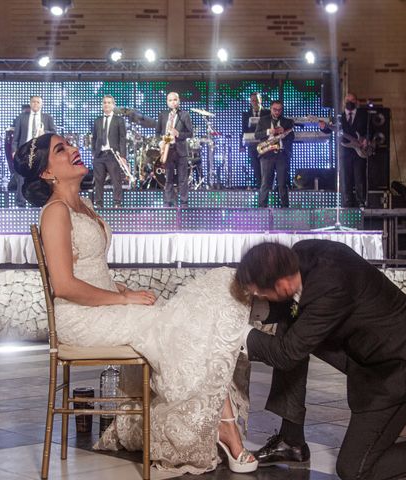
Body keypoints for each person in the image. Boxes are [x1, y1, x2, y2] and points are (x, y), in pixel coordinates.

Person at [13, 133, 257, 475]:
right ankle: (223, 427)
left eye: (69, 143)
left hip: (102, 306)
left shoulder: (83, 206)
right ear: (46, 174)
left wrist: (119, 288)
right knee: (174, 327)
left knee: (181, 321)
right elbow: (65, 286)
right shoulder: (55, 213)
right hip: (81, 318)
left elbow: (89, 269)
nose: (73, 149)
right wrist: (123, 298)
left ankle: (217, 419)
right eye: (61, 149)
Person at [233, 241, 406, 480]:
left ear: (282, 285)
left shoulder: (330, 287)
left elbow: (286, 354)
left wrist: (236, 333)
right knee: (290, 326)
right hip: (371, 351)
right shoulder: (300, 256)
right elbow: (292, 309)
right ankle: (291, 441)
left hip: (405, 367)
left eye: (261, 295)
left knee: (355, 469)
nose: (260, 298)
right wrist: (255, 311)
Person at [320, 92, 369, 208]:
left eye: (352, 101)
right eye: (347, 101)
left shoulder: (364, 115)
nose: (349, 103)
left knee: (359, 177)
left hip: (360, 151)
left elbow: (370, 129)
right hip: (345, 151)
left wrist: (366, 139)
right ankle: (347, 202)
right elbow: (331, 129)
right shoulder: (339, 117)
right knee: (346, 177)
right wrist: (323, 127)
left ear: (356, 102)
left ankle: (361, 202)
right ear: (344, 102)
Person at [11, 95, 56, 207]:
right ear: (30, 104)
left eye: (38, 102)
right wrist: (14, 150)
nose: (35, 104)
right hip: (25, 151)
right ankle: (20, 203)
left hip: (41, 152)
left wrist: (44, 132)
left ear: (42, 104)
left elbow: (54, 133)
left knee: (38, 177)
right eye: (33, 102)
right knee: (22, 177)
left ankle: (36, 201)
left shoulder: (47, 117)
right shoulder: (22, 117)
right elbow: (16, 136)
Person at [254, 100, 294, 208]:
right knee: (265, 183)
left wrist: (284, 130)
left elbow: (292, 137)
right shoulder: (263, 120)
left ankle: (285, 208)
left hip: (281, 154)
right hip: (267, 154)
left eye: (279, 110)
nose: (277, 112)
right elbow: (256, 135)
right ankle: (262, 207)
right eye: (275, 109)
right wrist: (268, 132)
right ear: (271, 108)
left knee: (282, 184)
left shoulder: (287, 122)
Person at [156, 92, 193, 207]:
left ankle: (183, 202)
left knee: (183, 178)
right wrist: (161, 142)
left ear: (179, 101)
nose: (173, 102)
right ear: (167, 102)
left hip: (180, 150)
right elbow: (158, 132)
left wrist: (178, 134)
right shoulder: (163, 114)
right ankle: (168, 201)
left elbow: (190, 133)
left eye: (175, 100)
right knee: (168, 178)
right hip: (168, 150)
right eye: (170, 100)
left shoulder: (184, 115)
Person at [91, 95, 127, 208]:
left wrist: (122, 155)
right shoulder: (98, 120)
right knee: (98, 180)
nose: (106, 104)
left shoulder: (119, 120)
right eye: (104, 102)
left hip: (113, 154)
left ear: (113, 105)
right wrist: (94, 153)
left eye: (109, 102)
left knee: (116, 180)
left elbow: (122, 139)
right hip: (100, 155)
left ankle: (117, 202)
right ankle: (98, 203)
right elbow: (94, 138)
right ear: (102, 105)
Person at [241, 93, 270, 189]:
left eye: (256, 100)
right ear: (250, 102)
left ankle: (267, 186)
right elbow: (243, 130)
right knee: (256, 166)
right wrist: (241, 145)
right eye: (253, 100)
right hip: (252, 145)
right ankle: (260, 187)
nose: (255, 102)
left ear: (260, 100)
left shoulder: (268, 113)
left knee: (266, 167)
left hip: (265, 144)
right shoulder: (246, 114)